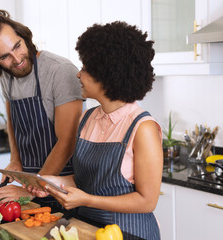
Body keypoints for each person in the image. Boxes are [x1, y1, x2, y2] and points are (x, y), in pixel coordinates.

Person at [27, 21, 163, 239]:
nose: (78, 75)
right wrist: (50, 183)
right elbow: (85, 182)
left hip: (131, 233)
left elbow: (147, 201)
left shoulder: (142, 128)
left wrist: (86, 200)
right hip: (86, 230)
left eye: (85, 68)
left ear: (107, 74)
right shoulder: (88, 117)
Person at [0, 10, 83, 206]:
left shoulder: (60, 71)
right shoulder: (8, 77)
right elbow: (12, 124)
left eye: (17, 46)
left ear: (24, 36)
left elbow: (67, 142)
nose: (16, 59)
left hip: (64, 190)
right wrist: (16, 160)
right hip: (30, 191)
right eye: (5, 56)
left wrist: (33, 187)